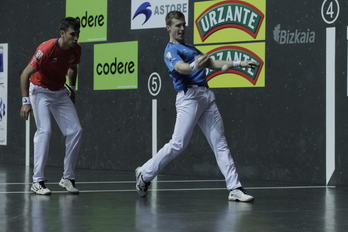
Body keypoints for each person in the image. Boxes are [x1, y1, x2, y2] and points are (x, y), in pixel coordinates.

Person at [135, 11, 259, 202]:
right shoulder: (171, 51)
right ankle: (145, 173)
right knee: (178, 144)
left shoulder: (191, 48)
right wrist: (194, 66)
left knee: (220, 143)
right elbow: (181, 68)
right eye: (177, 25)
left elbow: (213, 63)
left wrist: (238, 63)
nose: (182, 28)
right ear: (168, 28)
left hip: (206, 97)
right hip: (188, 97)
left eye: (183, 25)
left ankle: (234, 188)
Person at [19, 17, 82, 195]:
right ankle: (37, 181)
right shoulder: (46, 49)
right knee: (44, 131)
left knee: (76, 130)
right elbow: (25, 74)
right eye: (72, 34)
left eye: (77, 34)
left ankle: (67, 178)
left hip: (60, 91)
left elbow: (73, 68)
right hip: (39, 91)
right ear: (62, 33)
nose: (75, 38)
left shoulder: (76, 49)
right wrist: (25, 102)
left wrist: (73, 89)